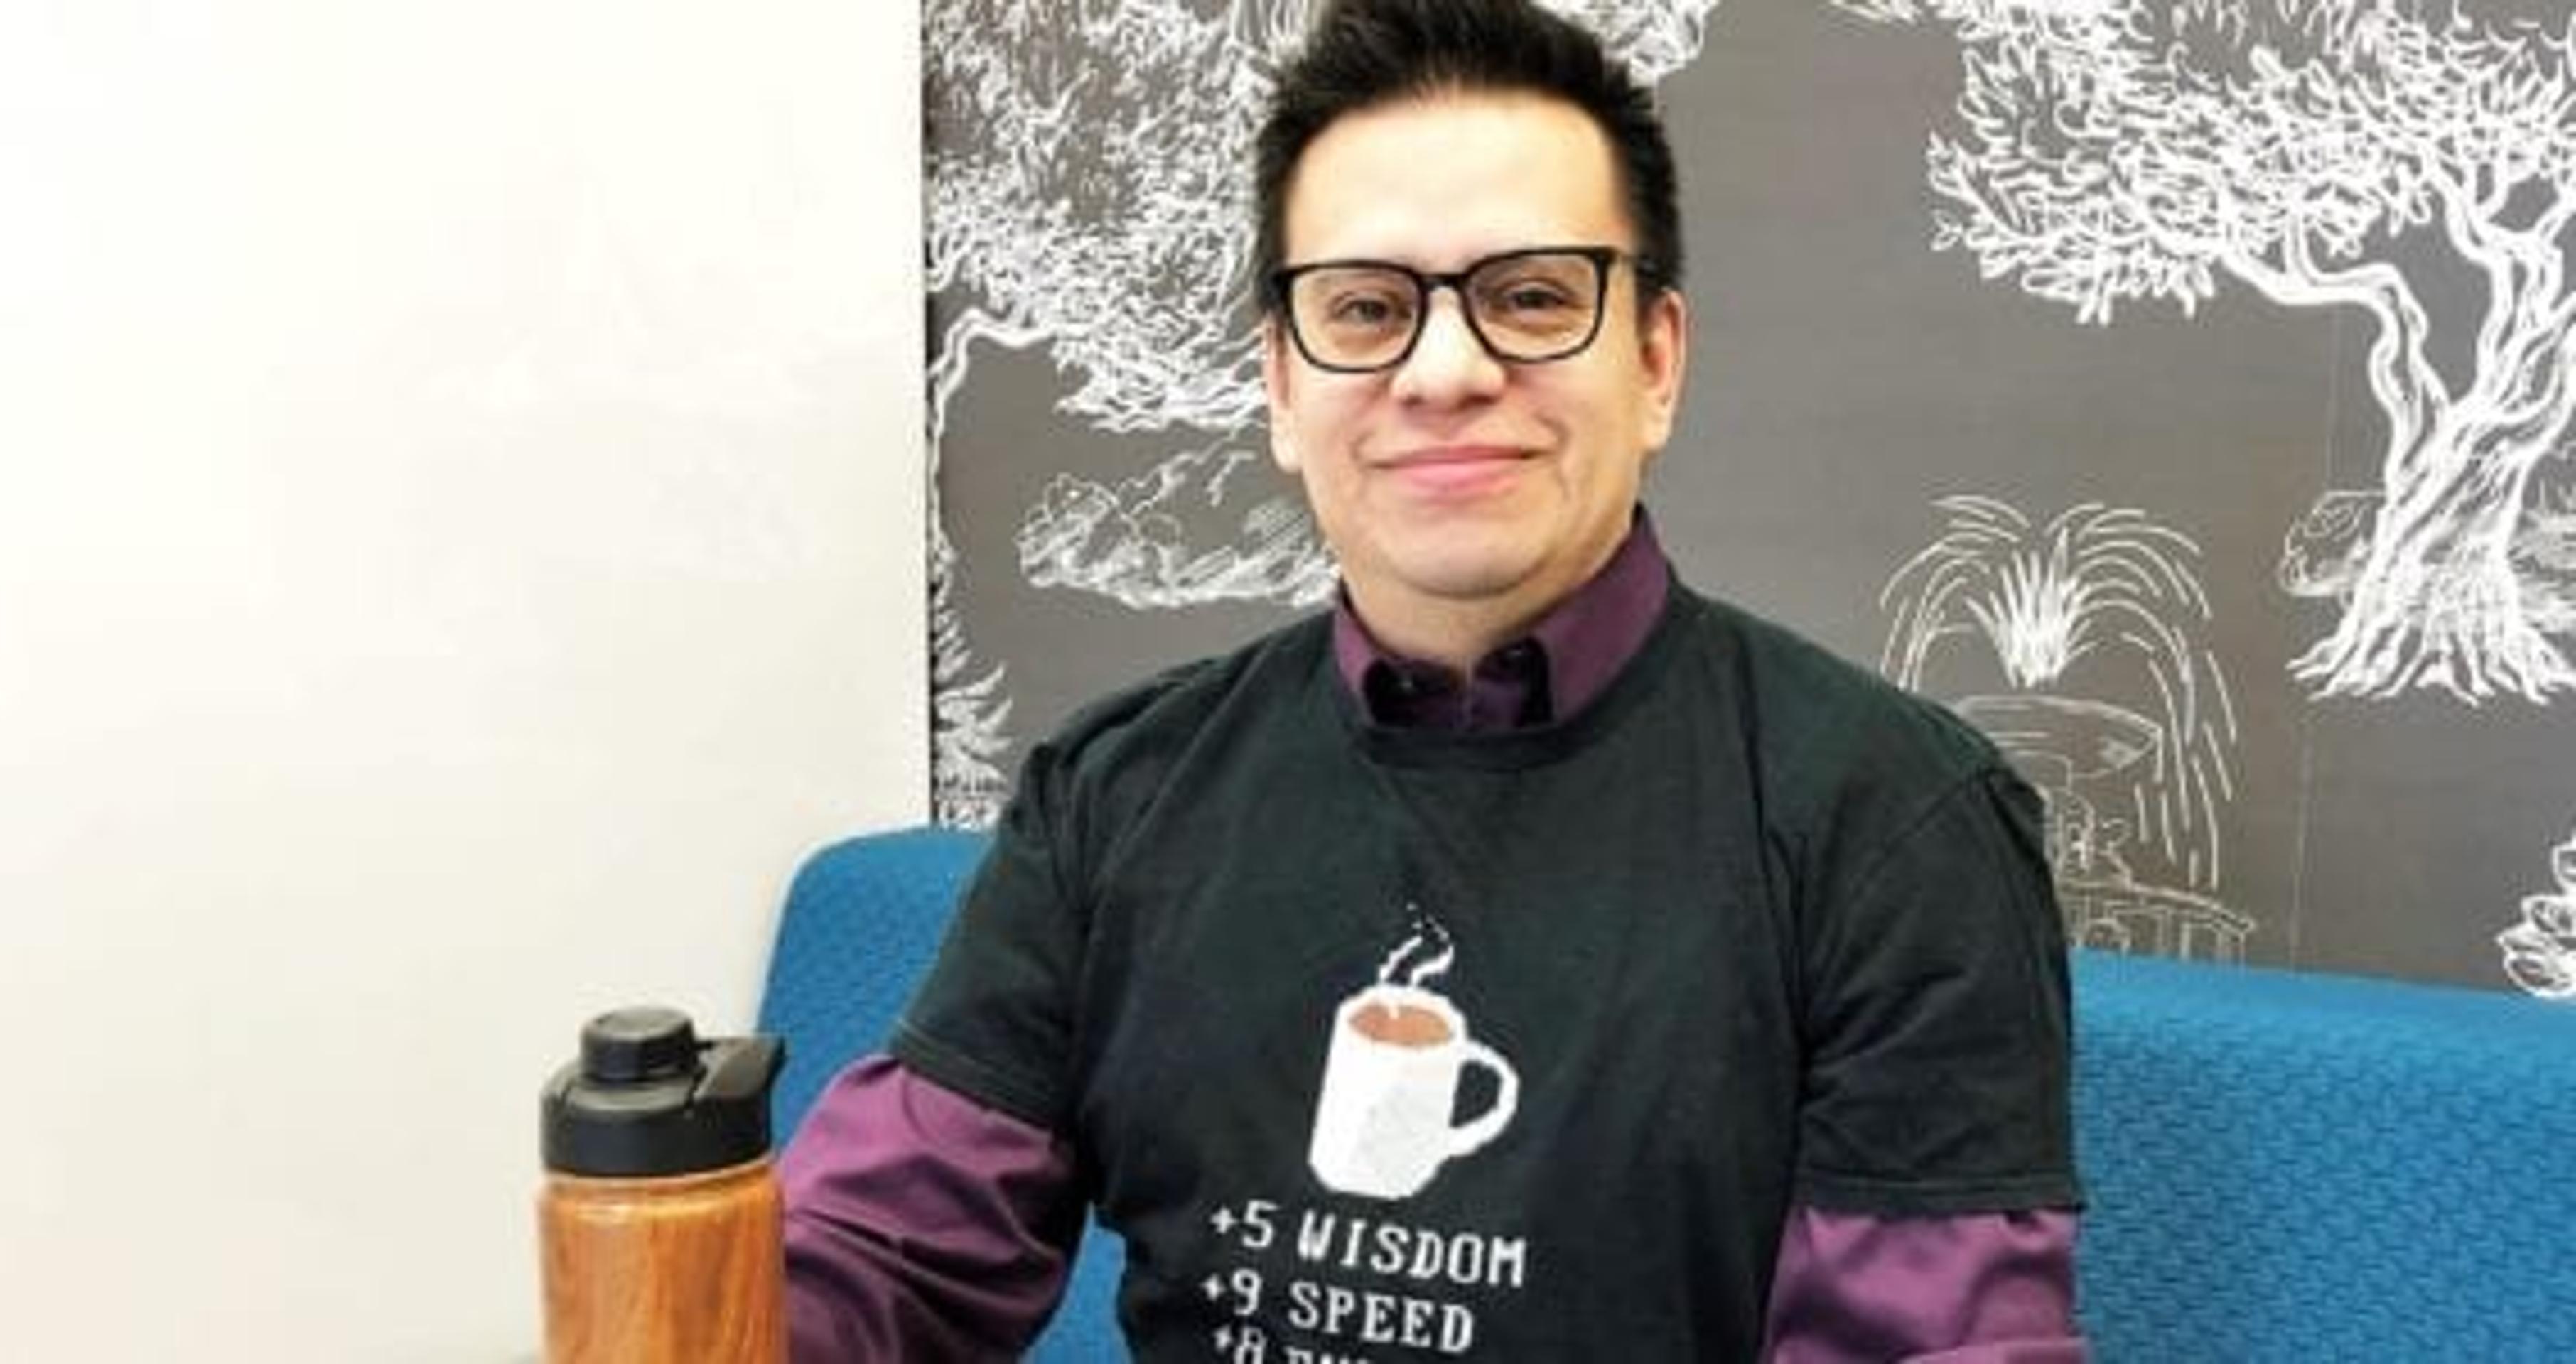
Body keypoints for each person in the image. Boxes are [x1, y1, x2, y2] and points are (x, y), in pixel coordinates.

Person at [783, 1, 2086, 1357]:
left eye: (1530, 295)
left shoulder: (1893, 824)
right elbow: (881, 1252)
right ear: (1283, 387)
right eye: (1365, 308)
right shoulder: (1115, 798)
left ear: (1655, 361)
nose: (1446, 370)